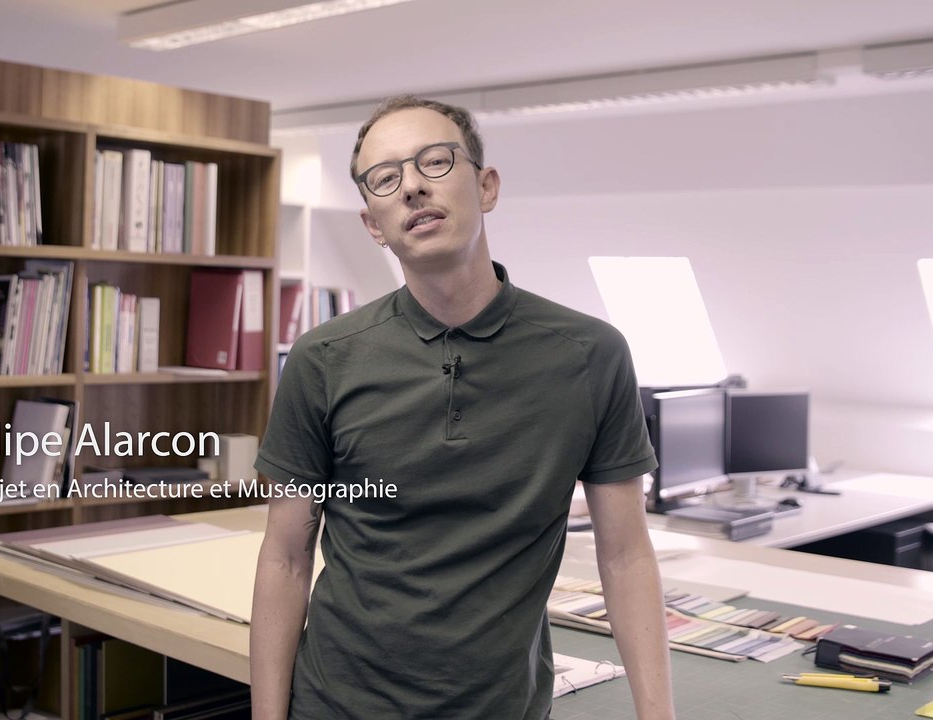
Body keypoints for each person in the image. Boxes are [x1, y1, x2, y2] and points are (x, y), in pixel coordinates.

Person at [250, 95, 675, 720]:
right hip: (339, 703)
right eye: (385, 178)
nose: (412, 187)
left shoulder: (590, 355)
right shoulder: (324, 358)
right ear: (373, 224)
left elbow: (626, 556)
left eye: (435, 161)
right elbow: (285, 558)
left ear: (486, 186)